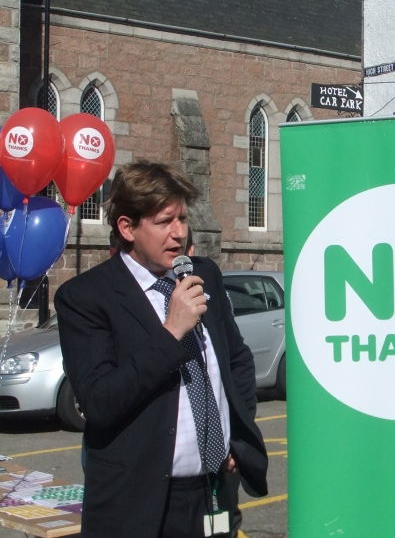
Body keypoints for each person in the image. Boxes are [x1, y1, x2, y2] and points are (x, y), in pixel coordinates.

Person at [56, 161, 268, 538]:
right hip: (138, 501)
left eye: (182, 219)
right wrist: (171, 332)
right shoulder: (86, 297)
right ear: (127, 228)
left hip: (214, 490)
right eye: (164, 221)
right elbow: (100, 402)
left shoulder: (204, 274)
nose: (179, 233)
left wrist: (235, 438)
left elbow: (236, 362)